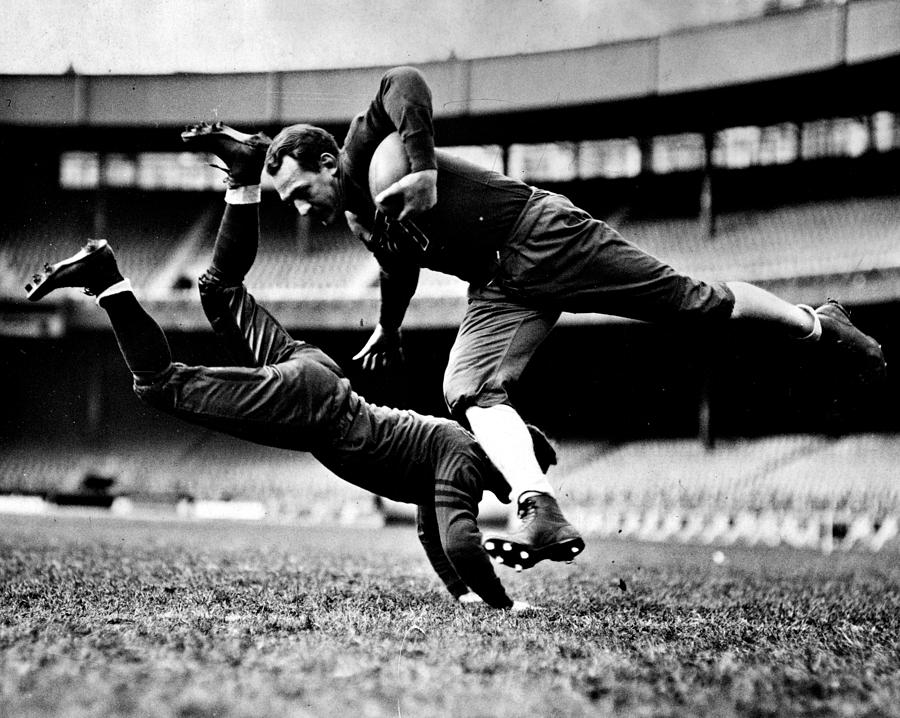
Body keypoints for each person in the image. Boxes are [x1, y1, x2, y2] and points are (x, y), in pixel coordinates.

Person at [259, 66, 887, 569]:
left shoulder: (364, 148)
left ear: (325, 164)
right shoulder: (357, 218)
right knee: (466, 388)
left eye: (298, 192)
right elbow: (399, 269)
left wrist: (422, 168)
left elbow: (404, 82)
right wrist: (389, 325)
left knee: (697, 305)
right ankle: (540, 508)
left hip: (543, 233)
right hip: (501, 285)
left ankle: (817, 322)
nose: (299, 209)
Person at [23, 125, 562, 611]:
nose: (516, 491)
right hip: (316, 407)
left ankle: (243, 174)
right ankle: (108, 280)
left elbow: (433, 534)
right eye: (521, 480)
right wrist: (502, 605)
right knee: (161, 385)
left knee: (218, 289)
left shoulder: (452, 452)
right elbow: (459, 540)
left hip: (317, 377)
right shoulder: (464, 462)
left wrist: (463, 593)